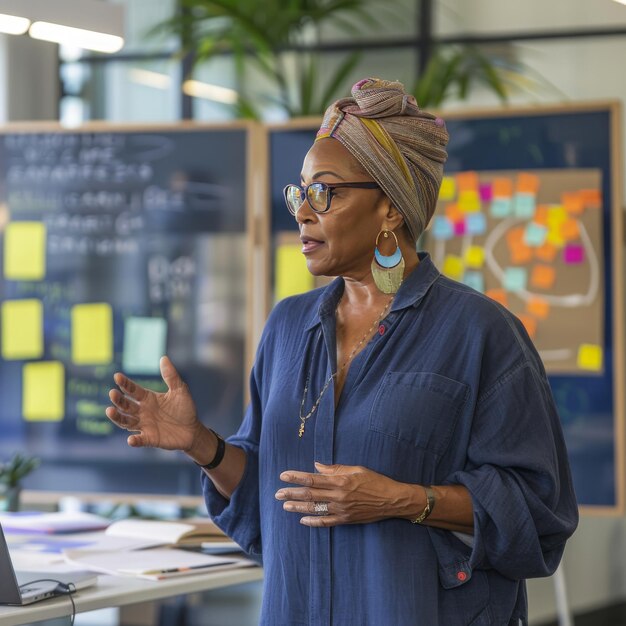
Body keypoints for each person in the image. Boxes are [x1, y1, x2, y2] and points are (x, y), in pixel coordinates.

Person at [106, 78, 578, 625]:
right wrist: (202, 446)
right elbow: (271, 507)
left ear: (390, 211)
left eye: (324, 192)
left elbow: (538, 511)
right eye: (299, 192)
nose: (303, 212)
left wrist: (403, 500)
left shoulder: (480, 332)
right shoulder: (287, 327)